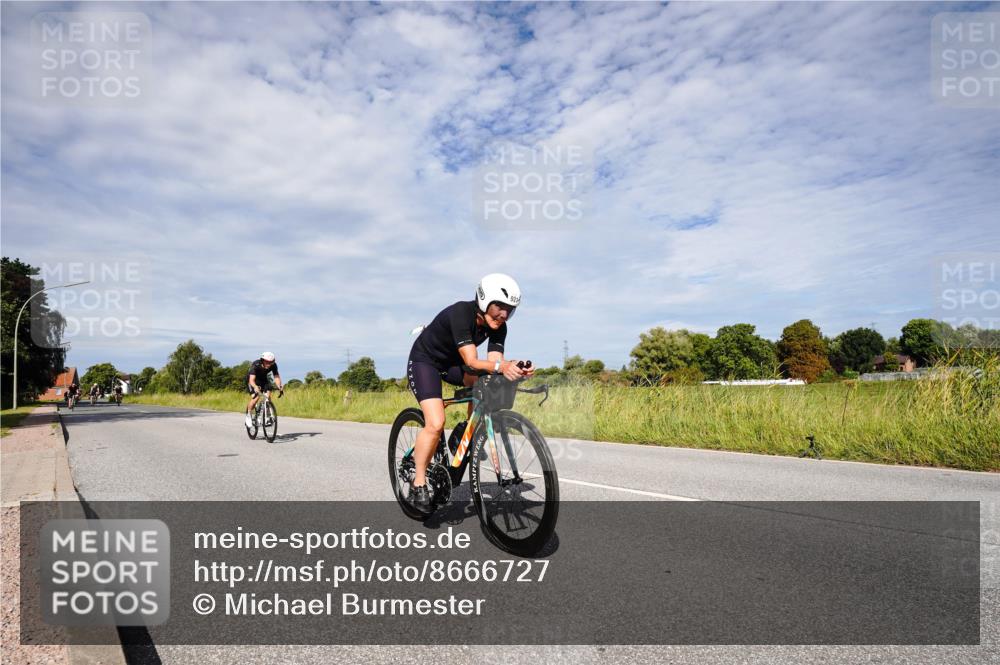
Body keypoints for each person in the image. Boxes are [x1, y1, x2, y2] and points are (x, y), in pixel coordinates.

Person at [405, 273, 532, 510]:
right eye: (500, 307)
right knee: (435, 422)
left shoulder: (499, 328)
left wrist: (514, 367)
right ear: (484, 300)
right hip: (426, 362)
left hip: (454, 364)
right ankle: (418, 481)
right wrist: (500, 367)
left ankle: (465, 430)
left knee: (485, 381)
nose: (504, 314)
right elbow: (473, 361)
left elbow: (494, 364)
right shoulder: (461, 314)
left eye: (510, 310)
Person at [245, 351, 283, 428]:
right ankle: (248, 415)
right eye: (267, 362)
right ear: (262, 360)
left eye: (271, 362)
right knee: (256, 397)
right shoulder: (256, 364)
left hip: (263, 380)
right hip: (252, 380)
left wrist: (279, 386)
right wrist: (255, 387)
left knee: (268, 396)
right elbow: (251, 380)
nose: (269, 364)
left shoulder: (273, 365)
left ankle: (267, 417)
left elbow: (276, 377)